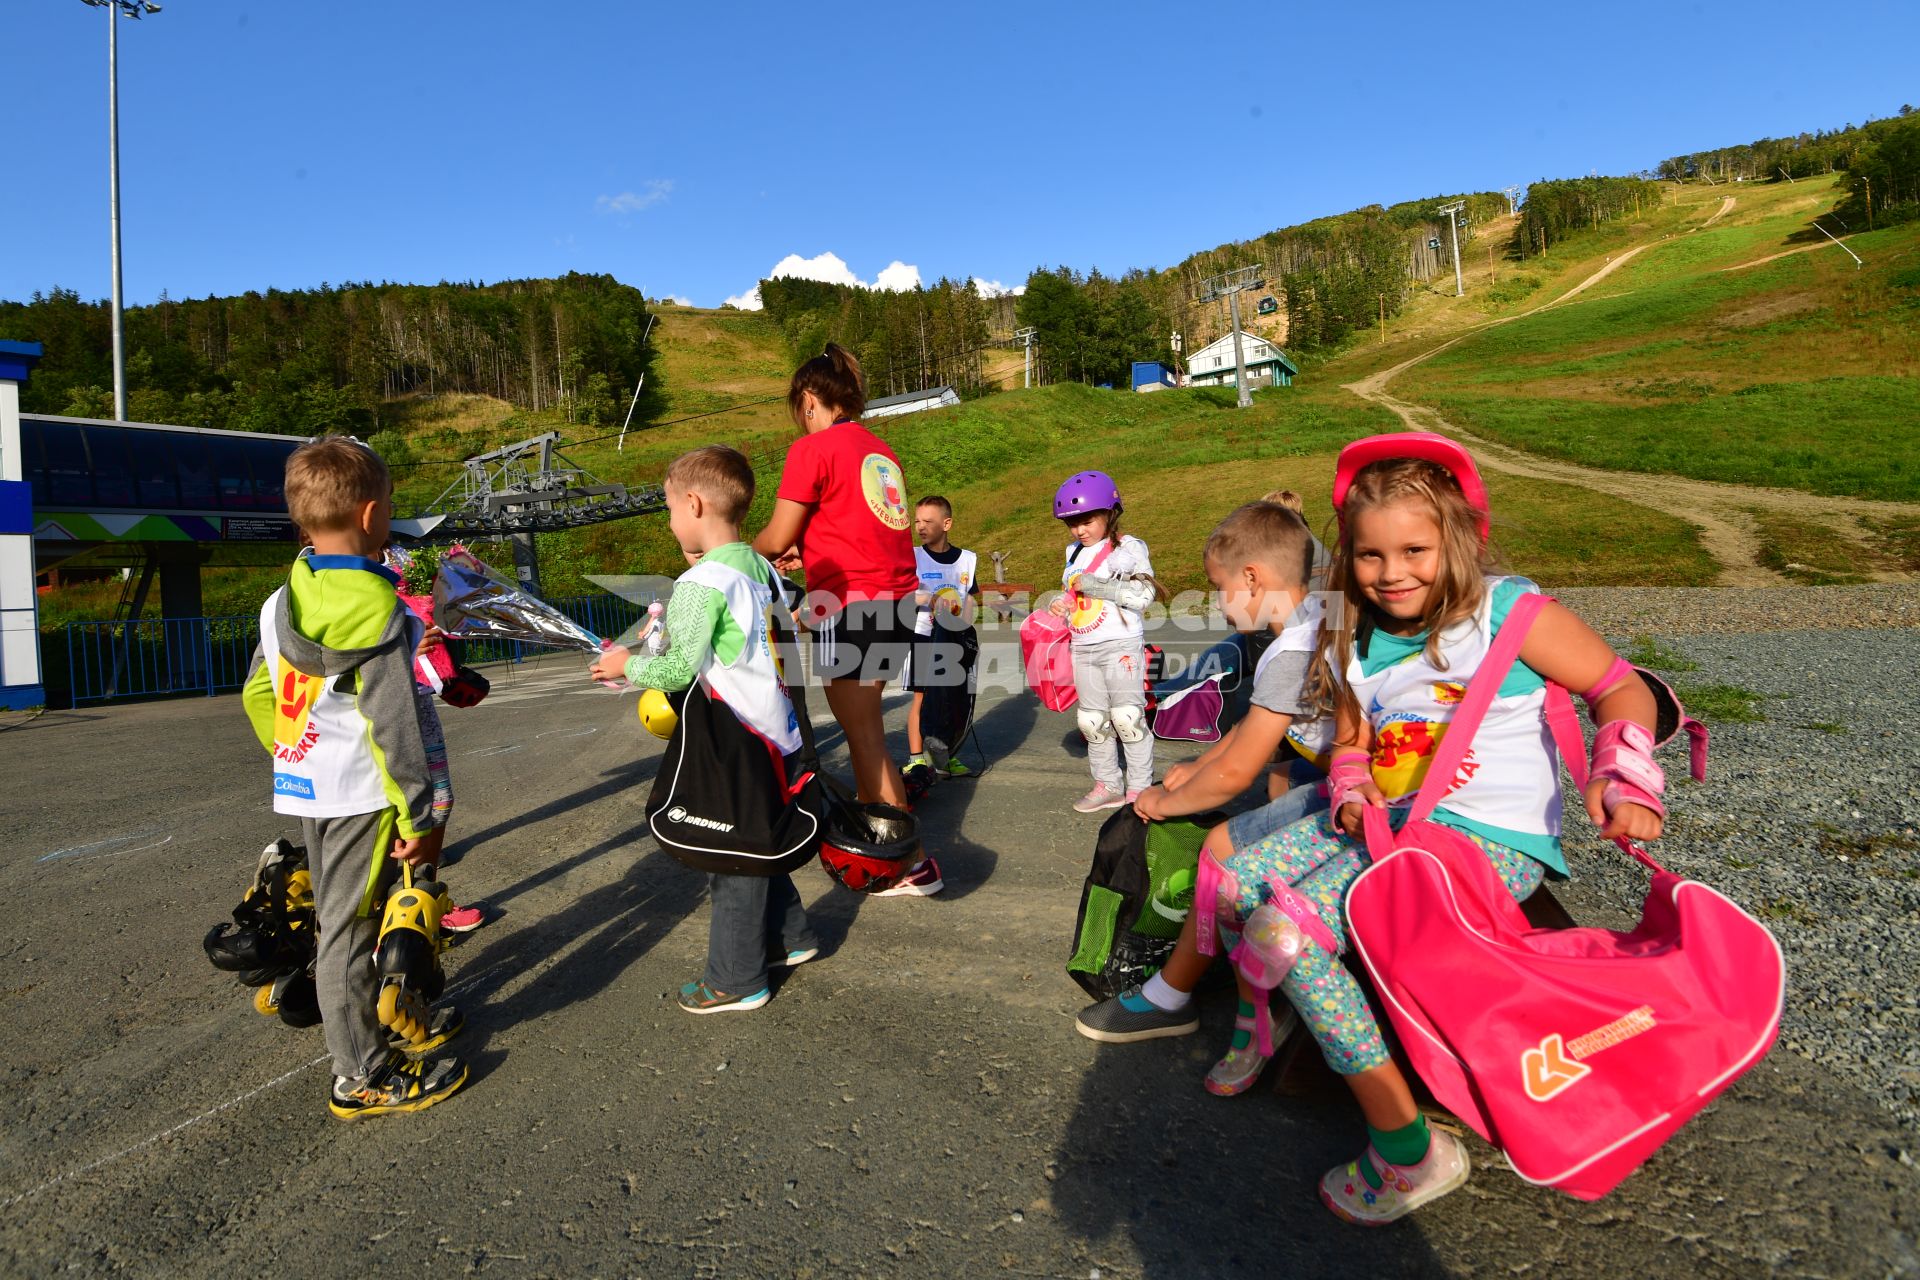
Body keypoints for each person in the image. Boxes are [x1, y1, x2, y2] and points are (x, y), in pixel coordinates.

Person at [1074, 435, 1667, 1225]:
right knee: (1236, 875)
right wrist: (1350, 781)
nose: (1392, 574)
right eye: (1369, 555)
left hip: (1486, 839)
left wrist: (1621, 773)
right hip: (1395, 826)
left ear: (1458, 538)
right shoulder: (1357, 637)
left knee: (1283, 934)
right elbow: (1352, 738)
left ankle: (1408, 1148)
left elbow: (1620, 687)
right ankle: (1261, 1024)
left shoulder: (1511, 609)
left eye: (1415, 549)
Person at [241, 436, 468, 1120]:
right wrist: (421, 818)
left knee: (344, 918)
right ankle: (361, 1072)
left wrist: (299, 752)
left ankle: (388, 1021)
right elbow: (395, 727)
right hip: (368, 795)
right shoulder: (387, 617)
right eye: (391, 506)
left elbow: (258, 695)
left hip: (312, 787)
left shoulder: (279, 607)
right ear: (371, 516)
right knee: (346, 929)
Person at [1081, 500, 1334, 1096]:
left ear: (1253, 578)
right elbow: (1252, 734)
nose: (1218, 604)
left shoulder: (1290, 652)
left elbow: (1239, 771)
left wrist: (1163, 803)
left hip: (1342, 796)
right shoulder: (1309, 626)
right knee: (1243, 828)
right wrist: (1197, 762)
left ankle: (1172, 995)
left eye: (1220, 589)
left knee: (1220, 849)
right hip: (1332, 781)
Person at [591, 446, 823, 1011]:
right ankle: (790, 938)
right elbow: (765, 650)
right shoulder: (760, 568)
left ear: (693, 503)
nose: (670, 521)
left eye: (670, 508)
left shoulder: (701, 583)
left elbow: (673, 668)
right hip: (780, 731)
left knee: (730, 850)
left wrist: (627, 666)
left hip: (735, 738)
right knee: (757, 837)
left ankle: (736, 980)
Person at [754, 344, 942, 898]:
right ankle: (880, 843)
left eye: (799, 408)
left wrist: (740, 550)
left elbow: (776, 535)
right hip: (896, 602)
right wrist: (807, 556)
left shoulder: (813, 448)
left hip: (852, 608)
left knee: (862, 734)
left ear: (809, 399)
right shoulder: (879, 451)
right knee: (868, 734)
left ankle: (911, 860)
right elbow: (859, 532)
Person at [1047, 471, 1158, 812]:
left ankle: (1140, 787)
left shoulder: (1129, 548)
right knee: (1092, 721)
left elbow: (1144, 596)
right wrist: (1059, 604)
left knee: (1127, 717)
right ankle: (1108, 784)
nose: (1079, 530)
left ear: (1110, 513)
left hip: (1121, 644)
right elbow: (1075, 597)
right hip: (1082, 645)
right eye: (1072, 523)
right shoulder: (1072, 553)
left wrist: (1096, 586)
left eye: (1087, 520)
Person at [905, 495, 980, 780]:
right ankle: (916, 759)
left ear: (946, 523)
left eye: (928, 521)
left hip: (954, 640)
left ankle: (947, 756)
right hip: (924, 637)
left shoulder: (968, 560)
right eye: (917, 521)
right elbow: (904, 593)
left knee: (952, 697)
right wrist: (930, 597)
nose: (921, 527)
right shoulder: (913, 556)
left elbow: (970, 599)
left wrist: (964, 624)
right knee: (922, 698)